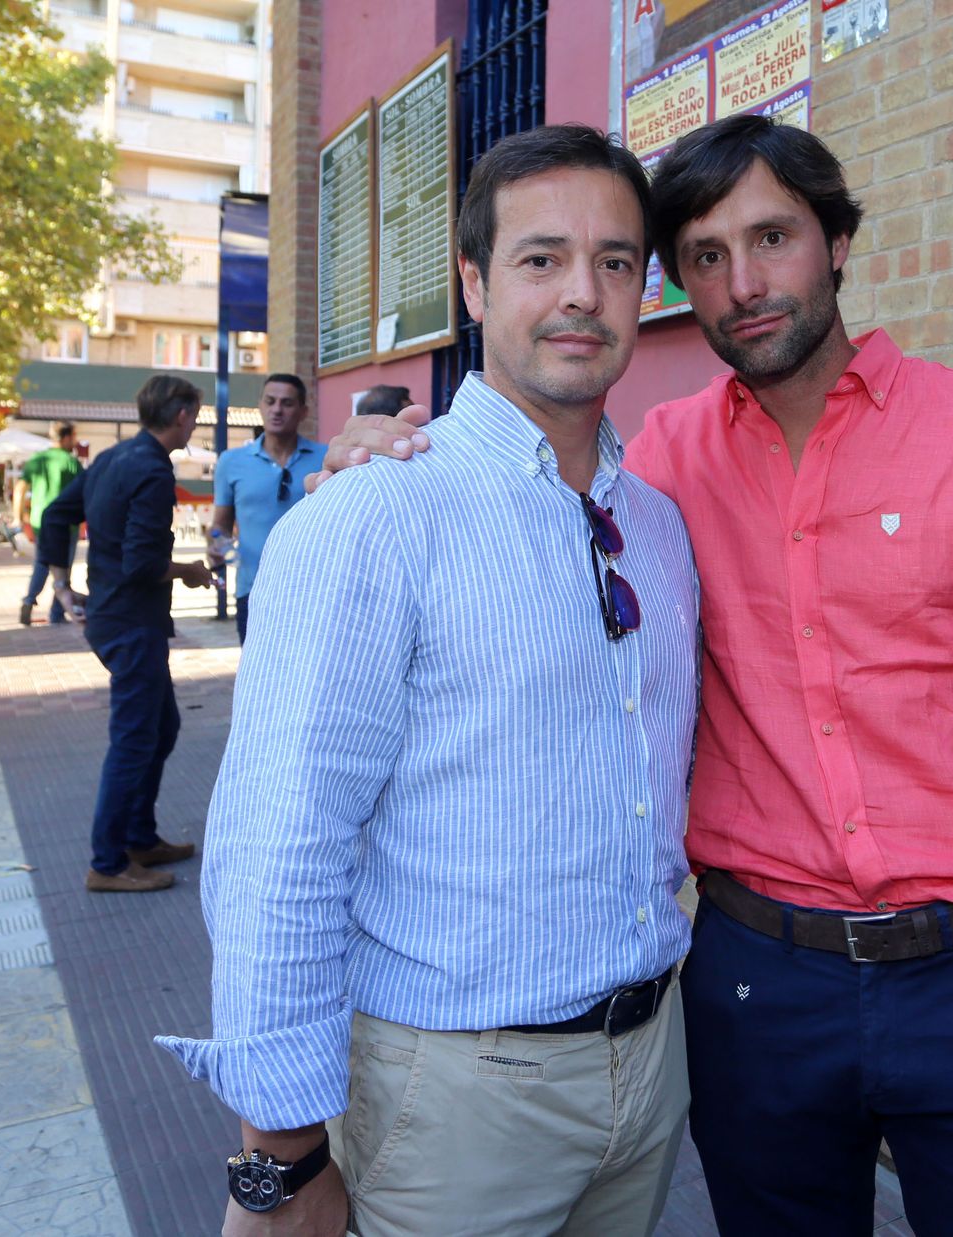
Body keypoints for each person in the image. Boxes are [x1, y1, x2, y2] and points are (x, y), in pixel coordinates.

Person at [320, 114, 953, 1237]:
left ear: (839, 245)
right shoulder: (658, 465)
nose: (743, 283)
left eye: (773, 238)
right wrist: (380, 458)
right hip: (757, 985)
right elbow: (523, 477)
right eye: (704, 258)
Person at [156, 125, 699, 1237]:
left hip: (651, 1071)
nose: (581, 295)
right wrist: (279, 1159)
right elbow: (279, 843)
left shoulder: (658, 527)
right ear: (471, 282)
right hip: (452, 1099)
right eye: (540, 259)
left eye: (612, 262)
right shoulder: (377, 515)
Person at [39, 376, 213, 893]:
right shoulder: (153, 471)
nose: (195, 423)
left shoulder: (114, 458)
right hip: (132, 623)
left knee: (161, 728)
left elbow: (55, 515)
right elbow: (142, 565)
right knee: (136, 740)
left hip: (116, 618)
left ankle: (139, 837)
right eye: (195, 415)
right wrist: (187, 571)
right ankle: (108, 863)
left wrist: (61, 587)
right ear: (181, 415)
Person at [206, 374, 327, 643]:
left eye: (287, 403)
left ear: (303, 411)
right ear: (260, 405)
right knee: (258, 680)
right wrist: (217, 547)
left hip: (313, 590)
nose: (277, 409)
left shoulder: (325, 458)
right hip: (253, 588)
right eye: (270, 401)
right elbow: (221, 526)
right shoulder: (231, 461)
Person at [14, 421, 83, 625]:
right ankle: (57, 613)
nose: (75, 442)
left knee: (42, 563)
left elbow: (20, 488)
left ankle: (29, 600)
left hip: (40, 522)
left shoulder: (37, 459)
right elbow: (84, 492)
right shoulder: (71, 462)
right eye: (74, 437)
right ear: (67, 437)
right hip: (66, 525)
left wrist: (19, 517)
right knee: (64, 568)